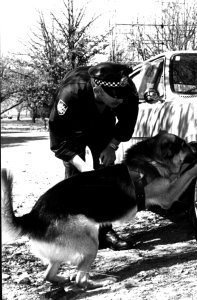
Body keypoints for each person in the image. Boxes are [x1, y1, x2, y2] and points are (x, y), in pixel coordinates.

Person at [49, 62, 139, 251]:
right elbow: (59, 141)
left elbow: (127, 122)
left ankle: (105, 232)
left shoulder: (125, 91)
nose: (120, 102)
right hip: (73, 130)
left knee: (106, 176)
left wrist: (112, 146)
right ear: (98, 90)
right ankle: (73, 234)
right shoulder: (70, 94)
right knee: (75, 180)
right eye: (115, 100)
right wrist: (83, 167)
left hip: (102, 126)